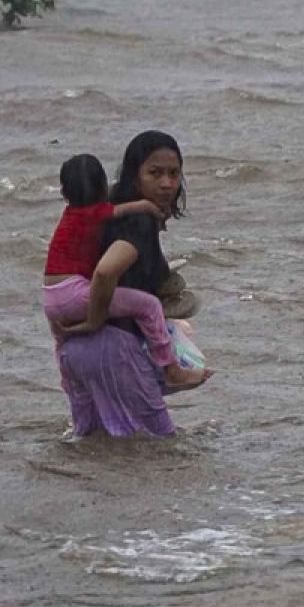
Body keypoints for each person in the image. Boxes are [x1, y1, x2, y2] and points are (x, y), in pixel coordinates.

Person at [55, 131, 211, 438]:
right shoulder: (138, 222)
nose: (167, 183)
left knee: (90, 447)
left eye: (174, 173)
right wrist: (96, 318)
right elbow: (105, 272)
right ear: (134, 177)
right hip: (113, 349)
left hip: (75, 353)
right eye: (155, 173)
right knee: (159, 447)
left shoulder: (105, 214)